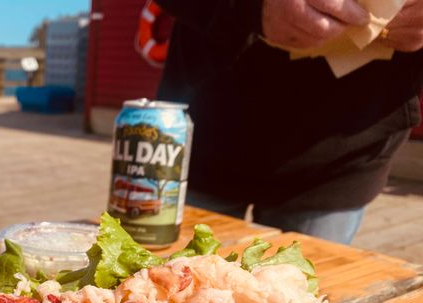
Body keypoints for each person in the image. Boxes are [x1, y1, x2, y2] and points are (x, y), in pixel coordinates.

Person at [154, 0, 423, 243]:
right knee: (172, 278)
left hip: (344, 155)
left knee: (310, 283)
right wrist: (250, 7)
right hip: (201, 134)